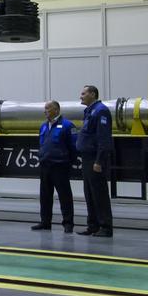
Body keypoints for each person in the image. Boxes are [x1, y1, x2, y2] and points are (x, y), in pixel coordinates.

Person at [76, 85, 115, 238]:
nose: (80, 96)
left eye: (83, 93)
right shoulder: (90, 111)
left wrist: (99, 161)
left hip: (95, 159)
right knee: (89, 194)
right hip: (87, 158)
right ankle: (93, 225)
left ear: (92, 94)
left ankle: (105, 227)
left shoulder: (101, 111)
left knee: (99, 194)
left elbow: (103, 139)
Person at [33, 100, 76, 232]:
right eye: (45, 108)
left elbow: (73, 146)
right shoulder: (43, 126)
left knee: (64, 195)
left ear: (56, 110)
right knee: (45, 195)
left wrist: (69, 162)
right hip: (45, 165)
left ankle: (68, 223)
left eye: (48, 108)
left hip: (60, 166)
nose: (45, 111)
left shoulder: (68, 125)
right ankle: (45, 222)